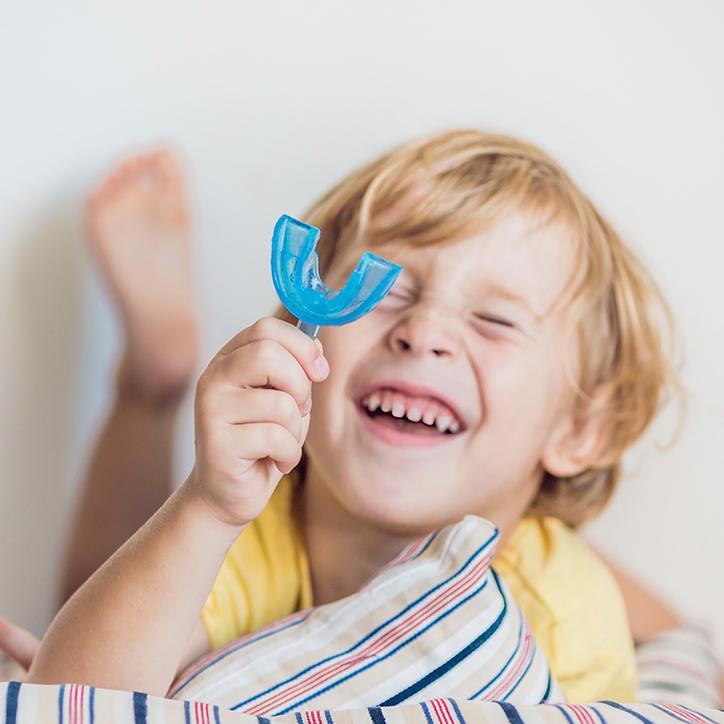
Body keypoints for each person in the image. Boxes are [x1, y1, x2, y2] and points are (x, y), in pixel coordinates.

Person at [4, 133, 688, 701]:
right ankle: (151, 383)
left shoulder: (567, 610)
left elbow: (676, 640)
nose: (424, 331)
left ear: (579, 430)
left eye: (493, 319)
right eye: (384, 291)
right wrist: (206, 508)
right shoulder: (251, 531)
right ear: (307, 343)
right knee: (94, 598)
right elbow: (75, 700)